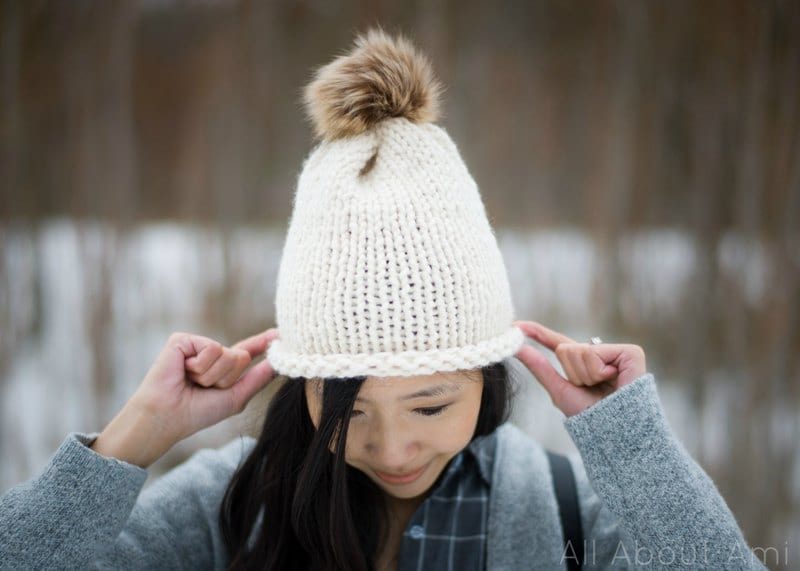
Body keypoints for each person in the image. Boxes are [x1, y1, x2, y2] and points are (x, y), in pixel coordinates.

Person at [0, 27, 766, 571]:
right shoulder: (229, 514)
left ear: (486, 377)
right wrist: (131, 438)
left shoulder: (564, 522)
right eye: (349, 412)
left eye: (430, 405)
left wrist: (633, 445)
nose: (394, 450)